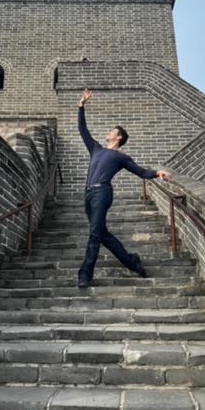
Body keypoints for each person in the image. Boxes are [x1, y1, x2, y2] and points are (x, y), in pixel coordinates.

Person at [77, 89, 172, 288]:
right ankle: (133, 263)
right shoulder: (96, 149)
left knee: (94, 234)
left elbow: (140, 172)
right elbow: (83, 131)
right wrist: (81, 107)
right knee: (102, 235)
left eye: (112, 131)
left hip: (102, 193)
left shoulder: (121, 157)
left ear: (118, 137)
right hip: (88, 194)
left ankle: (85, 275)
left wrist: (157, 173)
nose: (108, 132)